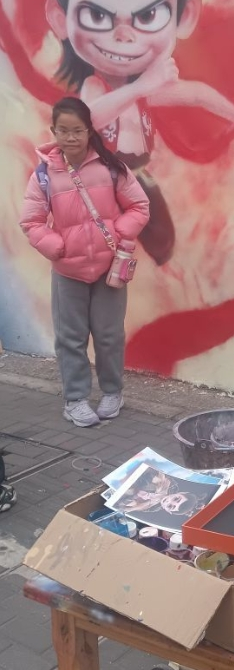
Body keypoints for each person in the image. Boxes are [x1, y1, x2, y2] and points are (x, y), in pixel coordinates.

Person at [35, 0, 234, 266]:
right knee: (103, 248)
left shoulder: (146, 90)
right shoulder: (97, 85)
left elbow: (196, 93)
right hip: (100, 184)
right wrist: (142, 86)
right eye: (96, 15)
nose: (123, 35)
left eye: (148, 15)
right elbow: (88, 119)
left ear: (184, 15)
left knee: (163, 243)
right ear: (60, 18)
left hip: (137, 179)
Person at [19, 96, 150, 427]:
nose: (71, 137)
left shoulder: (111, 168)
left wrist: (120, 233)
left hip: (109, 271)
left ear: (90, 131)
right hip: (68, 272)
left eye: (77, 130)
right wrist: (56, 246)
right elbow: (31, 221)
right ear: (54, 131)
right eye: (63, 130)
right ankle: (75, 399)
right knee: (70, 339)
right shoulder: (44, 175)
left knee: (109, 336)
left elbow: (139, 206)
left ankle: (112, 393)